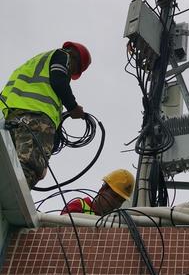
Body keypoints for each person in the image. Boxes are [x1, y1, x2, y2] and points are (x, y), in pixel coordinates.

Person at [0, 42, 91, 188]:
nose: (71, 72)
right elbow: (59, 81)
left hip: (9, 118)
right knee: (29, 168)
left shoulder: (33, 63)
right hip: (35, 118)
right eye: (74, 69)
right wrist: (73, 108)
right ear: (75, 58)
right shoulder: (63, 56)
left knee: (6, 168)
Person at [61, 169, 134, 215]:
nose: (116, 203)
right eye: (114, 196)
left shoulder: (111, 223)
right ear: (103, 189)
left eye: (121, 201)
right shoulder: (78, 206)